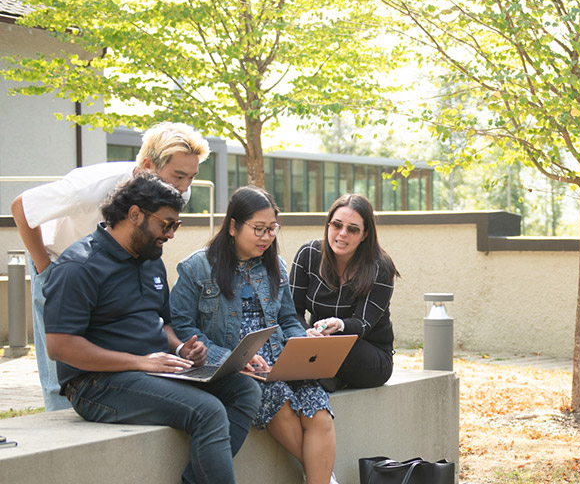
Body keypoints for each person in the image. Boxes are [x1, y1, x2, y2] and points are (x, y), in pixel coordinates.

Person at [43, 174, 261, 484]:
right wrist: (141, 362)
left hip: (155, 371)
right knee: (208, 410)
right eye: (166, 224)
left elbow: (165, 323)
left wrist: (179, 348)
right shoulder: (79, 266)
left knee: (245, 389)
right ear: (135, 215)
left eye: (176, 225)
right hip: (96, 384)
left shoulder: (150, 260)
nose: (171, 234)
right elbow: (61, 347)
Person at [10, 122, 210, 411]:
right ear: (146, 165)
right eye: (178, 176)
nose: (184, 188)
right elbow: (21, 208)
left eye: (191, 177)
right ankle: (60, 422)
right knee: (61, 362)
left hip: (119, 264)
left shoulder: (175, 191)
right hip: (60, 262)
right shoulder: (88, 188)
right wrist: (45, 270)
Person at [170, 186, 338, 484]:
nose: (266, 237)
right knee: (281, 403)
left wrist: (300, 349)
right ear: (233, 226)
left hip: (281, 360)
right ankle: (323, 475)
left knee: (319, 412)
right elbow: (181, 326)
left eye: (272, 229)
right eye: (258, 229)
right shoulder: (197, 267)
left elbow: (287, 317)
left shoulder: (275, 266)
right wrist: (229, 359)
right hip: (239, 368)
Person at [290, 193, 400, 392]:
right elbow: (291, 311)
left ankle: (326, 377)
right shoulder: (308, 255)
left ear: (365, 235)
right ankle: (327, 378)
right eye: (336, 225)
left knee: (334, 347)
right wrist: (304, 332)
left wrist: (339, 325)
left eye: (352, 229)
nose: (342, 234)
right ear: (328, 225)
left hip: (367, 353)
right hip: (318, 345)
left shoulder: (380, 268)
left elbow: (363, 324)